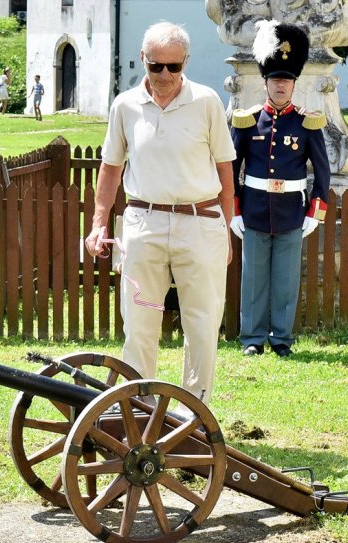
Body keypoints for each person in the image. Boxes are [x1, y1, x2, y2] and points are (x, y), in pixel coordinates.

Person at [84, 21, 236, 407]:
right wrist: (99, 223)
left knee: (201, 326)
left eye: (174, 66)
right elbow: (110, 169)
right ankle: (138, 411)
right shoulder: (125, 105)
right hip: (143, 224)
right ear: (143, 60)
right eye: (156, 66)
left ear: (185, 62)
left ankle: (194, 416)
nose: (166, 75)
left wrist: (227, 229)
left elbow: (224, 169)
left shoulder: (206, 102)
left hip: (201, 224)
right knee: (139, 325)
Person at [230, 21, 330, 358]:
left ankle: (282, 338)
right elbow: (231, 168)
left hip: (291, 211)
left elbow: (323, 172)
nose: (281, 86)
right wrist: (234, 210)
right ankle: (252, 339)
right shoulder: (247, 120)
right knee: (254, 279)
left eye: (286, 80)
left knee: (286, 280)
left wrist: (316, 211)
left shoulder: (306, 122)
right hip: (255, 208)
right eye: (275, 80)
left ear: (294, 84)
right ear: (265, 82)